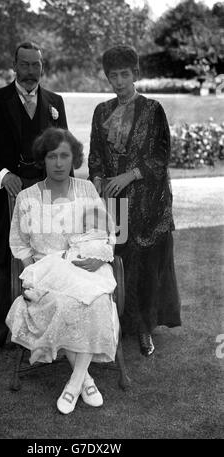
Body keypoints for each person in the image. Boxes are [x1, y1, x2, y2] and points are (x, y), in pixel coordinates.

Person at [6, 127, 119, 414]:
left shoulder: (86, 190)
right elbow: (20, 244)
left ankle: (75, 383)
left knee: (95, 301)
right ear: (42, 159)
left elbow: (106, 232)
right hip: (47, 273)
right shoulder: (28, 198)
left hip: (85, 267)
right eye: (52, 156)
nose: (58, 163)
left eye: (64, 156)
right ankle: (85, 380)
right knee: (63, 303)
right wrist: (32, 276)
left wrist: (100, 258)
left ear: (74, 159)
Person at [0, 41, 68, 357]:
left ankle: (42, 331)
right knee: (3, 260)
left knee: (46, 257)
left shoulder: (55, 102)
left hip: (44, 193)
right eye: (24, 65)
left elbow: (63, 151)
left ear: (42, 66)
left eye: (35, 65)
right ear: (15, 66)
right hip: (5, 194)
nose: (30, 71)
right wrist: (1, 175)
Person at [88, 45, 181, 357]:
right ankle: (120, 323)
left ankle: (145, 329)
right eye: (112, 75)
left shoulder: (153, 109)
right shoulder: (101, 111)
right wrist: (99, 180)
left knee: (147, 264)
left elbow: (161, 156)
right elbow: (95, 156)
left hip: (149, 201)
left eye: (124, 74)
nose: (118, 81)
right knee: (119, 263)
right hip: (114, 203)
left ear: (136, 74)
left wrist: (129, 175)